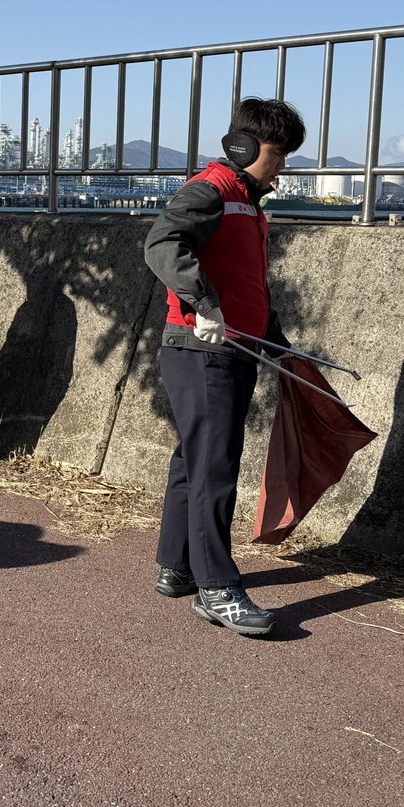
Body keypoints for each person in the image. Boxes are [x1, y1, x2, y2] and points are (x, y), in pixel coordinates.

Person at [142, 97, 304, 637]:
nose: (281, 165)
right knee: (215, 467)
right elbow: (163, 242)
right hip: (202, 347)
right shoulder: (211, 189)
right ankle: (217, 588)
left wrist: (278, 343)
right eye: (277, 154)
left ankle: (178, 564)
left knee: (194, 459)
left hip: (232, 345)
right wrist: (201, 302)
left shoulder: (247, 202)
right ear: (244, 147)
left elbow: (247, 285)